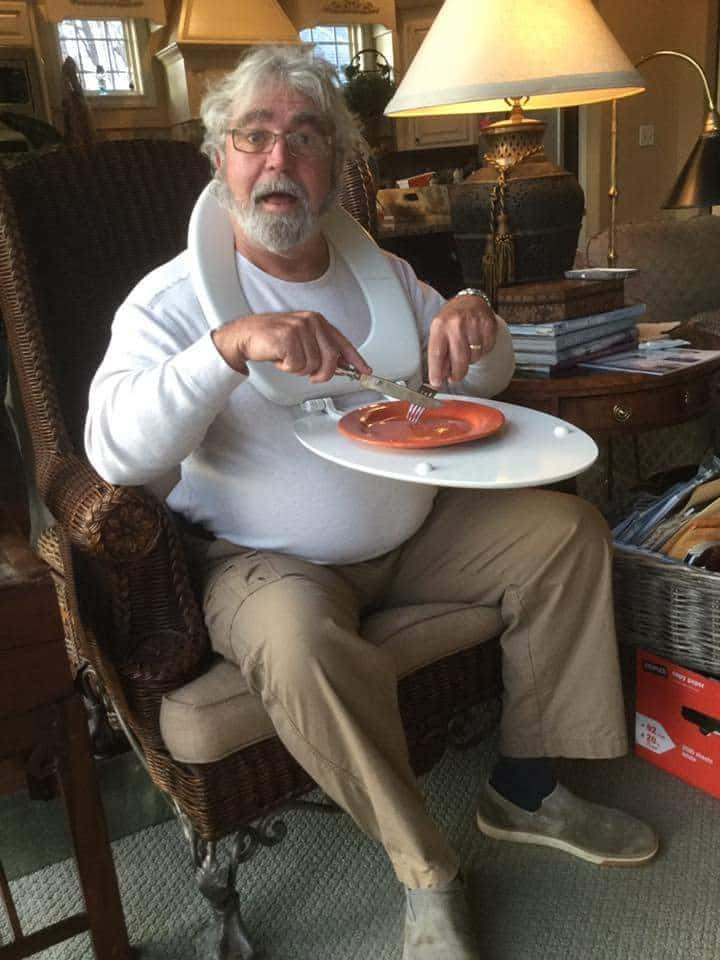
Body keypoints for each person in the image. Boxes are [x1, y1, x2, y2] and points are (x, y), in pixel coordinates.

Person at [84, 44, 658, 960]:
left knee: (568, 533)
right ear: (220, 158)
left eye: (306, 137)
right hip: (266, 559)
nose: (280, 158)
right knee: (297, 643)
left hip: (414, 528)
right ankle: (426, 872)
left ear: (339, 161)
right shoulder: (172, 299)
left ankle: (524, 787)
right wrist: (226, 349)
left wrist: (474, 322)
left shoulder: (380, 271)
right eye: (254, 136)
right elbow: (112, 449)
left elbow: (481, 378)